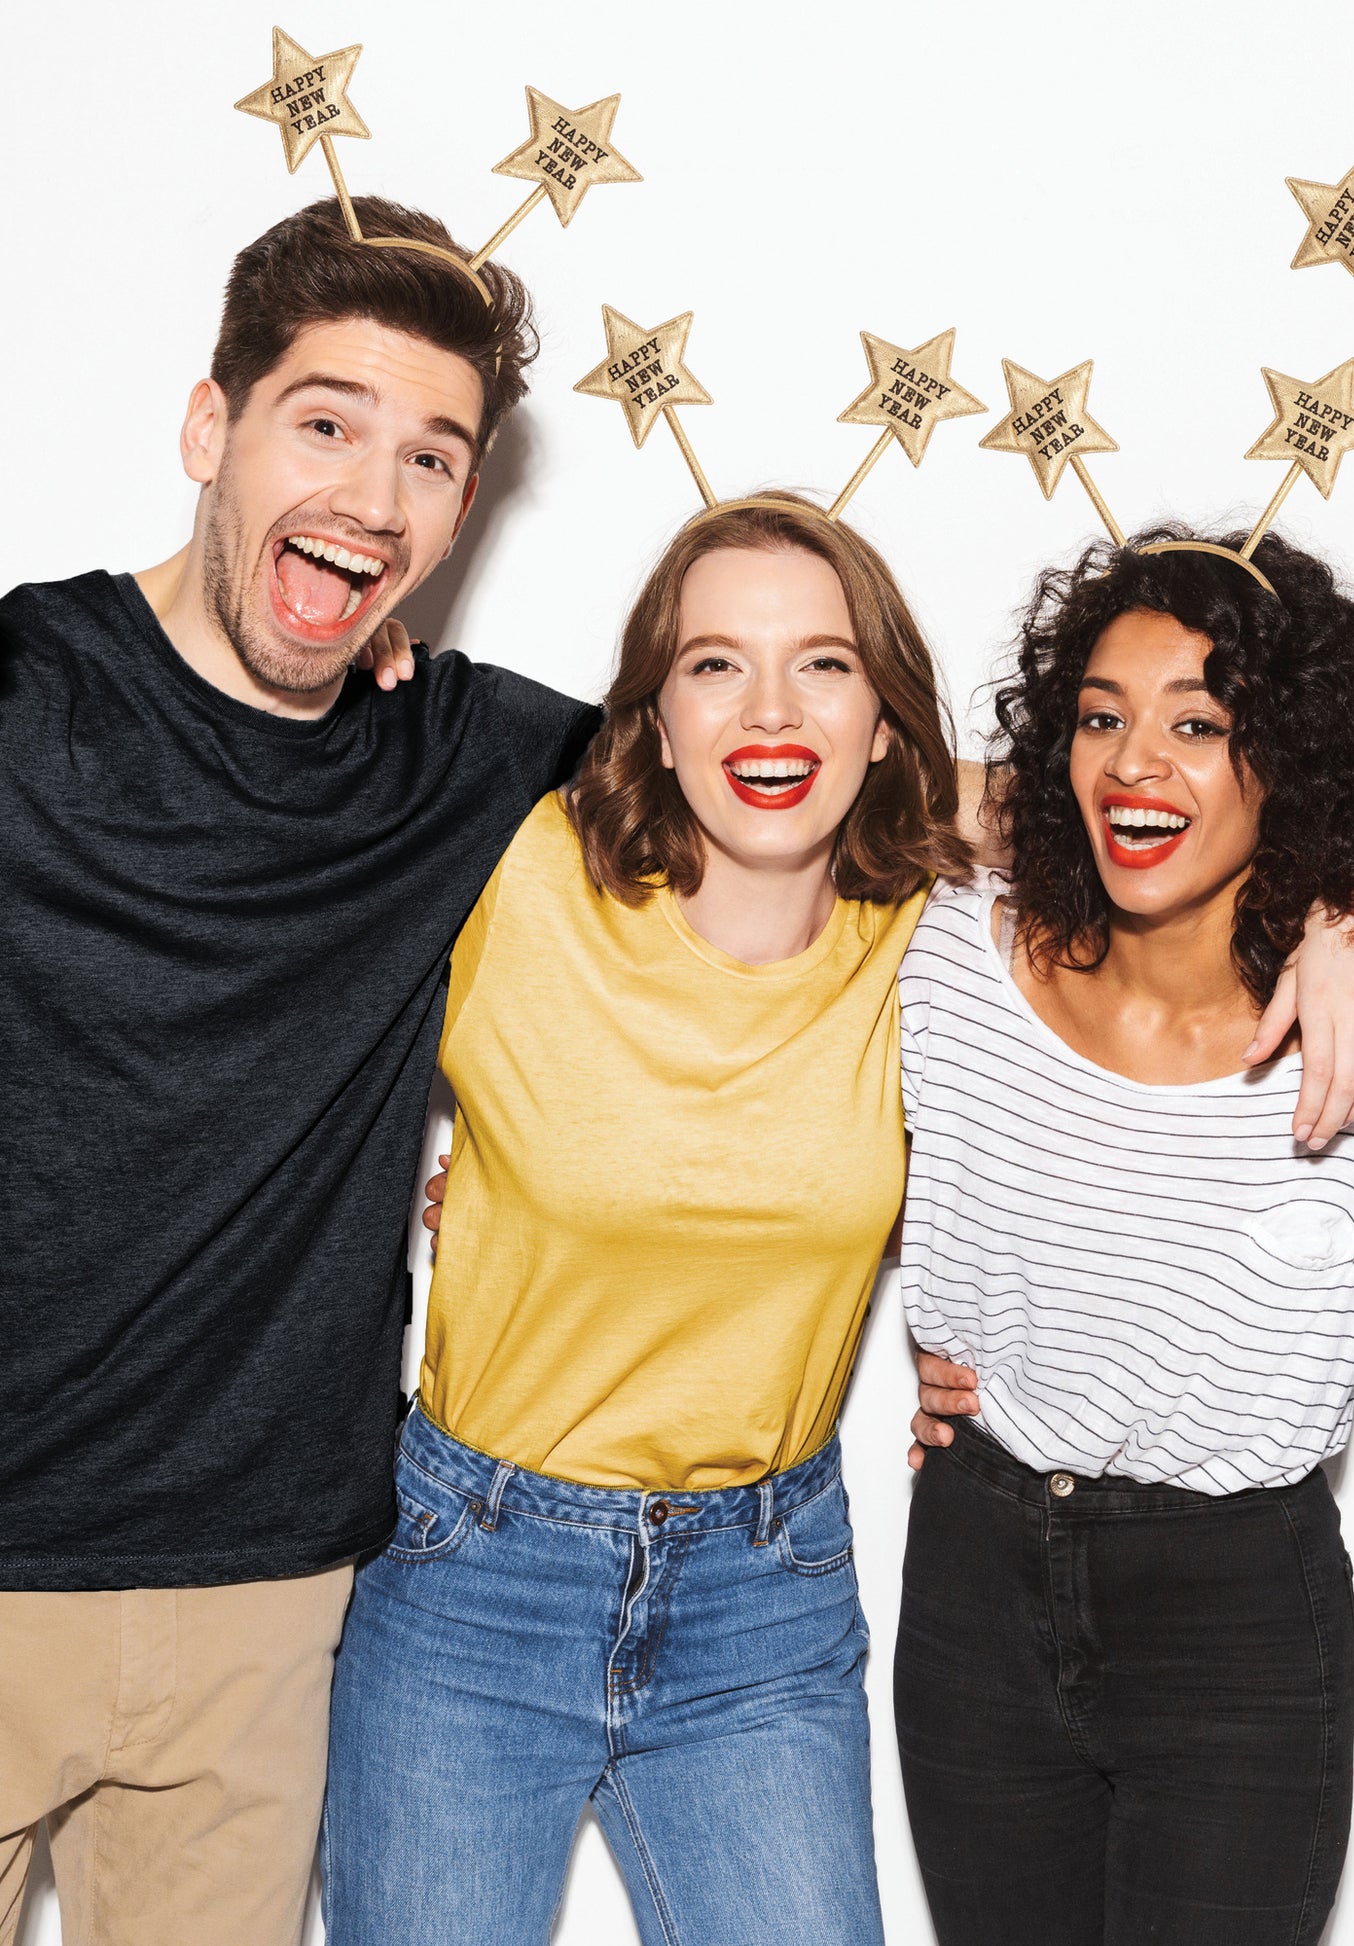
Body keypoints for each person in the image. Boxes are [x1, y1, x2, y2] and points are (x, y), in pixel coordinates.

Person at [0, 196, 597, 1946]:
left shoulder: (467, 756)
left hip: (265, 1605)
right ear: (213, 430)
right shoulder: (28, 688)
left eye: (429, 456)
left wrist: (1335, 877)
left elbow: (822, 773)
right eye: (324, 422)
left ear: (462, 511)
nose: (369, 495)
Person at [319, 496, 970, 1946]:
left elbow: (1174, 847)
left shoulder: (932, 935)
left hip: (766, 1592)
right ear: (653, 720)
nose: (769, 708)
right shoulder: (523, 872)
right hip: (470, 1574)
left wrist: (1352, 912)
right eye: (714, 664)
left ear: (884, 722)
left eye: (823, 664)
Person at [892, 529, 1354, 1946]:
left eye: (1199, 725)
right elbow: (794, 795)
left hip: (1235, 1619)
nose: (1134, 762)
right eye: (1099, 716)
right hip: (974, 1566)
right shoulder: (951, 951)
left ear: (1293, 756)